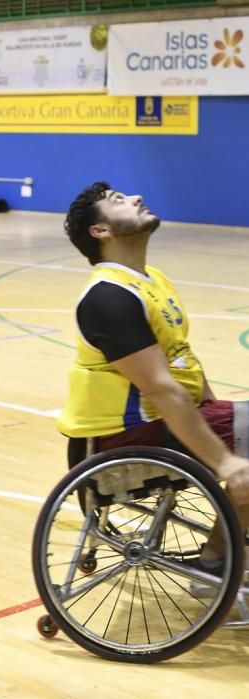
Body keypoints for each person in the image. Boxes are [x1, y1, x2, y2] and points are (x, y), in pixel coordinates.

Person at [57, 181, 249, 572]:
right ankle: (216, 560)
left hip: (158, 427)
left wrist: (215, 412)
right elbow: (161, 389)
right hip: (117, 442)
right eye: (118, 201)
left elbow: (182, 358)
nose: (136, 198)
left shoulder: (152, 280)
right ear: (101, 231)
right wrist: (225, 460)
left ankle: (227, 547)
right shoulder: (108, 298)